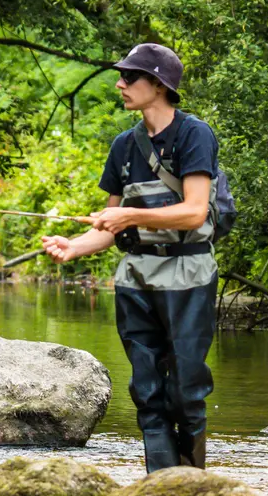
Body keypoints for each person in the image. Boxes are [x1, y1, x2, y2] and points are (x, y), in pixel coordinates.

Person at [40, 42, 220, 472]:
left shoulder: (195, 135)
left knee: (185, 392)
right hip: (135, 280)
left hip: (188, 277)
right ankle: (160, 486)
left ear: (158, 85)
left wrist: (129, 214)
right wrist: (75, 245)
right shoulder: (124, 146)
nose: (120, 84)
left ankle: (192, 484)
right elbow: (108, 229)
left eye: (130, 77)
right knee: (146, 391)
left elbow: (195, 210)